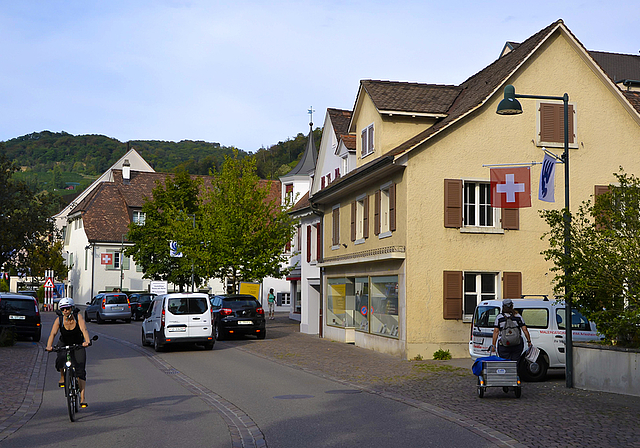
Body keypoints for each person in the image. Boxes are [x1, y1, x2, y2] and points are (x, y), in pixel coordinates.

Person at [45, 297, 91, 408]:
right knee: (60, 358)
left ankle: (82, 397)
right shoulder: (59, 320)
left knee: (80, 370)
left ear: (72, 308)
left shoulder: (77, 317)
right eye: (63, 309)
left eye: (67, 308)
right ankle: (62, 377)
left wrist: (87, 341)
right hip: (64, 343)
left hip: (78, 344)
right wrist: (49, 346)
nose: (65, 311)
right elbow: (52, 334)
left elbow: (84, 330)